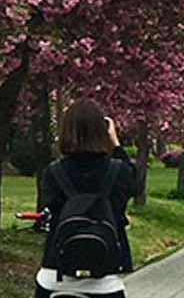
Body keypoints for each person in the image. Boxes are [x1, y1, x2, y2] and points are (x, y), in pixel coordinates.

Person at [36, 100, 137, 298]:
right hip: (104, 278)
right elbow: (135, 186)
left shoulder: (53, 172)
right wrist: (116, 145)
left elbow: (49, 209)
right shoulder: (119, 171)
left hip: (55, 276)